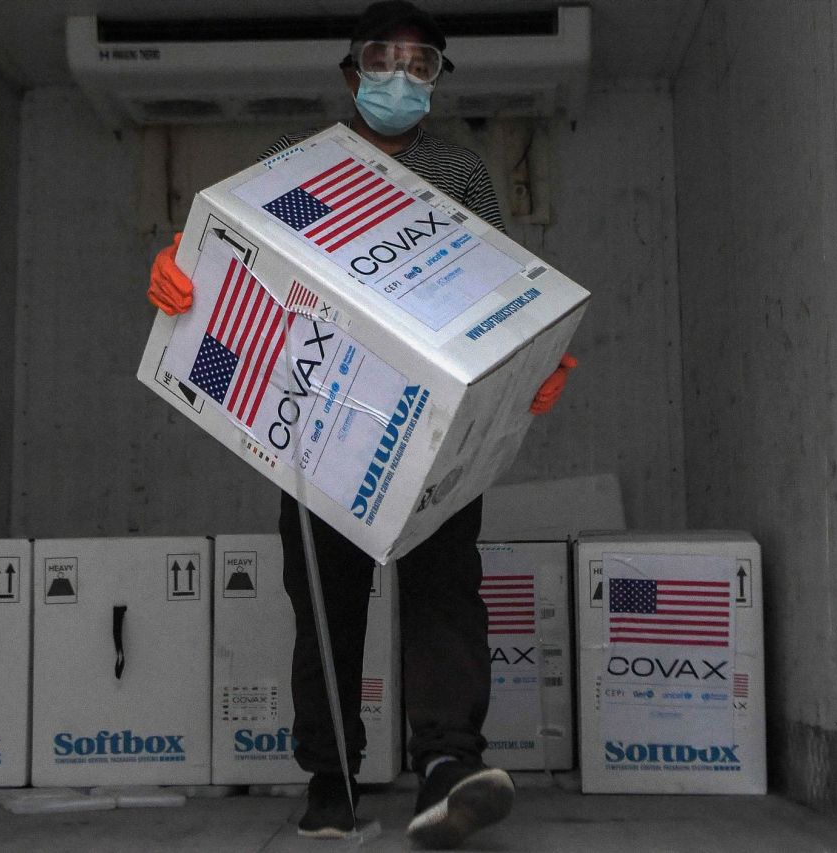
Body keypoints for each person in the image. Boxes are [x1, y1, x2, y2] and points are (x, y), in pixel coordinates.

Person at [148, 2, 577, 846]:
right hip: (316, 420)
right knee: (324, 601)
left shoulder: (459, 173)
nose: (400, 76)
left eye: (421, 64)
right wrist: (180, 265)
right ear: (351, 72)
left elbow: (500, 287)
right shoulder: (301, 165)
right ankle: (331, 779)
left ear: (437, 81)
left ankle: (449, 764)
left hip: (433, 427)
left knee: (445, 593)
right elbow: (238, 251)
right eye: (385, 58)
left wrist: (537, 359)